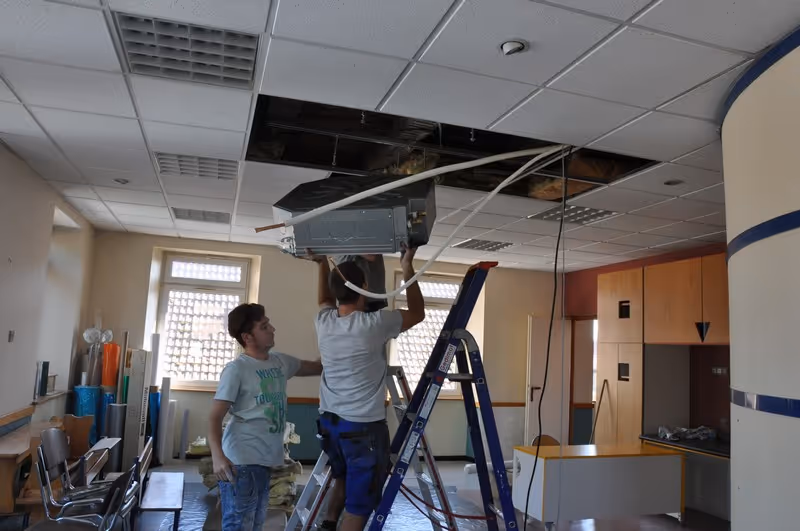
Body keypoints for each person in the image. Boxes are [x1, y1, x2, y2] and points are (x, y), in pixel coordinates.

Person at [310, 246, 426, 531]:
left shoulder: (323, 321)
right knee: (359, 506)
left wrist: (322, 263)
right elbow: (418, 313)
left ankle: (327, 524)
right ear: (364, 287)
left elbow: (325, 298)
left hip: (330, 423)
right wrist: (407, 266)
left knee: (342, 477)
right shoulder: (374, 323)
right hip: (362, 428)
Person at [208, 303, 323, 531]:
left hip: (264, 459)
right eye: (264, 326)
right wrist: (217, 456)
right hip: (241, 459)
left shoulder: (279, 362)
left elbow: (317, 367)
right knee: (240, 524)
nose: (272, 328)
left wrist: (336, 340)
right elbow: (214, 417)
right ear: (247, 337)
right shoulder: (236, 370)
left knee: (256, 522)